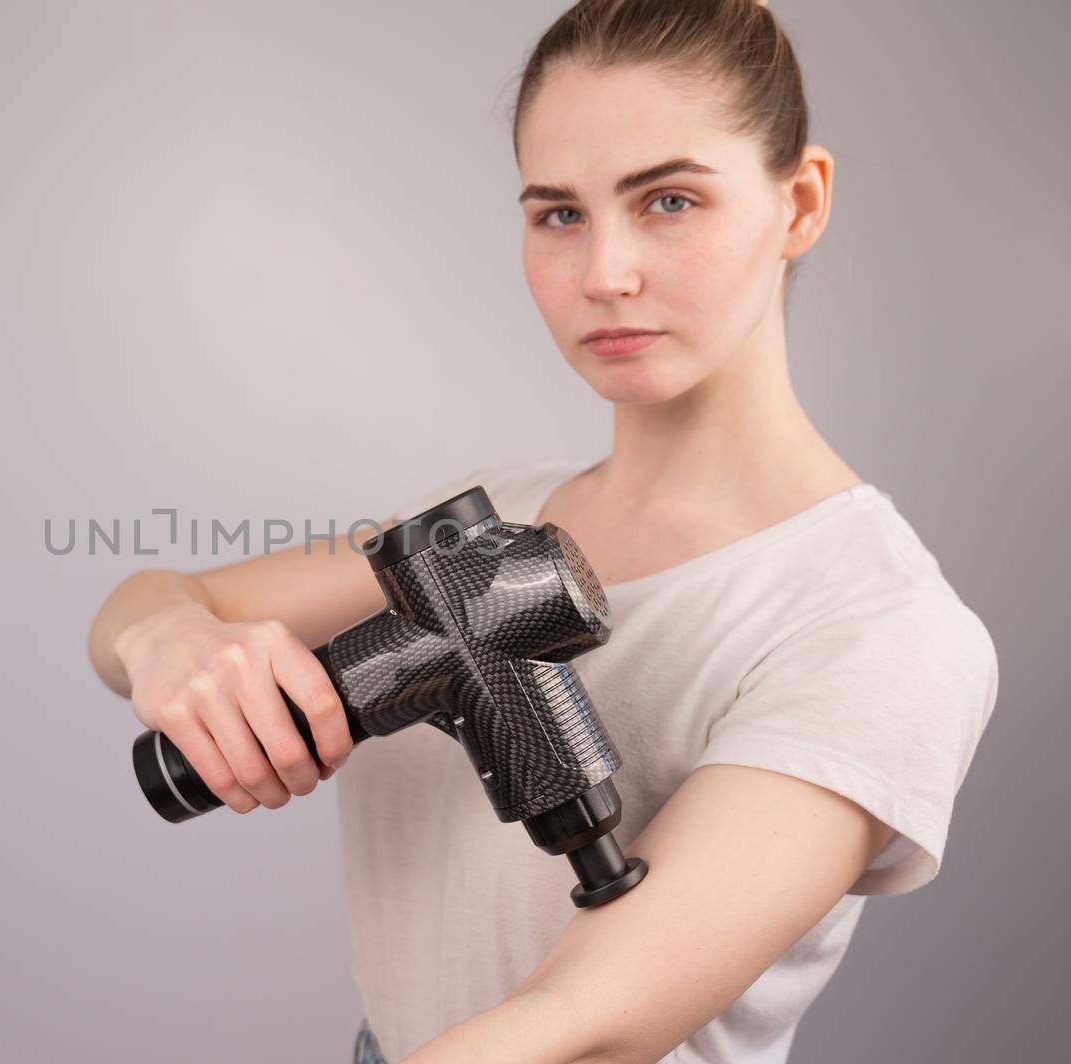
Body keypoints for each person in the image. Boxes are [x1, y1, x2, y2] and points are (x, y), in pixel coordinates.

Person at [86, 0, 1001, 1060]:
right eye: (557, 213)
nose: (604, 272)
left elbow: (581, 1025)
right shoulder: (488, 521)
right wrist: (171, 644)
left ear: (798, 204)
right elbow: (144, 602)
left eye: (667, 199)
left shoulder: (880, 628)